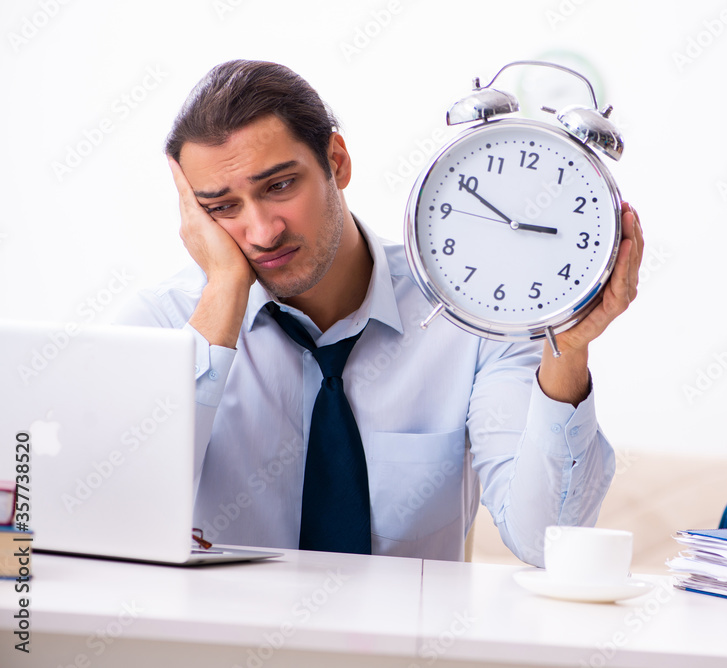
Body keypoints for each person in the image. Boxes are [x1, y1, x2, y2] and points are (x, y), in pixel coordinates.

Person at [117, 60, 643, 566]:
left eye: (279, 186)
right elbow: (122, 520)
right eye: (222, 208)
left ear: (337, 161)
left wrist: (568, 351)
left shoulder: (472, 320)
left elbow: (548, 541)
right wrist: (224, 293)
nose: (262, 232)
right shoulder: (163, 327)